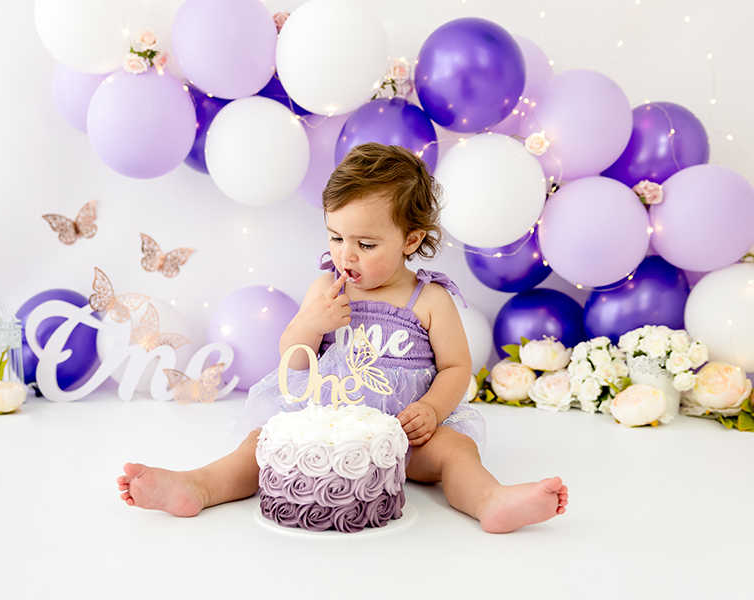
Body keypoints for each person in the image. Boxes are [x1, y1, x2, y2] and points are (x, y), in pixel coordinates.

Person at [117, 143, 568, 533]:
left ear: (411, 240)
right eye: (336, 237)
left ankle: (490, 500)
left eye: (366, 244)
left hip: (406, 437)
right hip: (324, 427)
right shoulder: (326, 289)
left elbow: (456, 367)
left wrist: (432, 410)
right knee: (262, 443)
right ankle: (198, 486)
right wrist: (311, 325)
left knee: (457, 451)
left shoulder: (430, 299)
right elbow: (293, 360)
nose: (345, 255)